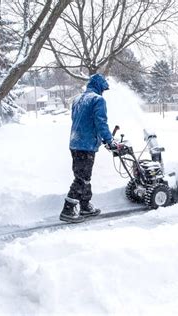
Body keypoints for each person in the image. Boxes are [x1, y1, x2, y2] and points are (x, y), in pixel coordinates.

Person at [60, 73, 115, 223]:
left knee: (84, 176)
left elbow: (76, 119)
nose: (103, 92)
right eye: (103, 89)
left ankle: (85, 206)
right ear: (99, 87)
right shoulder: (98, 100)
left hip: (75, 143)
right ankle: (68, 210)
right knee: (82, 177)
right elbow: (101, 122)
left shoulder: (77, 99)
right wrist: (109, 140)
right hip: (86, 144)